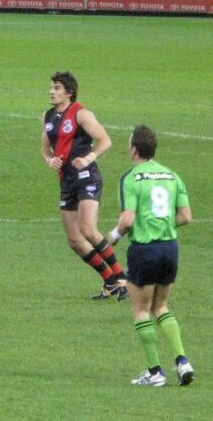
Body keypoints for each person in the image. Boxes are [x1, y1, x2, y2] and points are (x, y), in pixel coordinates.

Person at [107, 125, 194, 387]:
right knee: (161, 307)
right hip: (170, 249)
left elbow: (127, 220)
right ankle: (182, 360)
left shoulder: (131, 178)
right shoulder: (172, 175)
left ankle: (155, 372)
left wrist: (111, 238)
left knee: (142, 309)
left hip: (144, 250)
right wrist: (163, 224)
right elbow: (186, 217)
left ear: (134, 148)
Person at [41, 71, 126, 299]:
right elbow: (45, 149)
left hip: (87, 177)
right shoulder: (47, 117)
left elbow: (105, 140)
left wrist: (88, 158)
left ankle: (121, 277)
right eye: (52, 87)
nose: (52, 91)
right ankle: (110, 282)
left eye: (57, 88)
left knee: (88, 229)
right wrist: (51, 160)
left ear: (69, 92)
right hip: (66, 181)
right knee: (75, 241)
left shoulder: (81, 114)